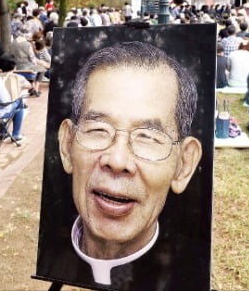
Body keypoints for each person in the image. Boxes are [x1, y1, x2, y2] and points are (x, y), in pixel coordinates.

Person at [51, 41, 203, 288]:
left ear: (183, 165)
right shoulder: (53, 257)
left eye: (148, 137)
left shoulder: (186, 274)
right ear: (67, 146)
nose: (117, 161)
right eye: (98, 129)